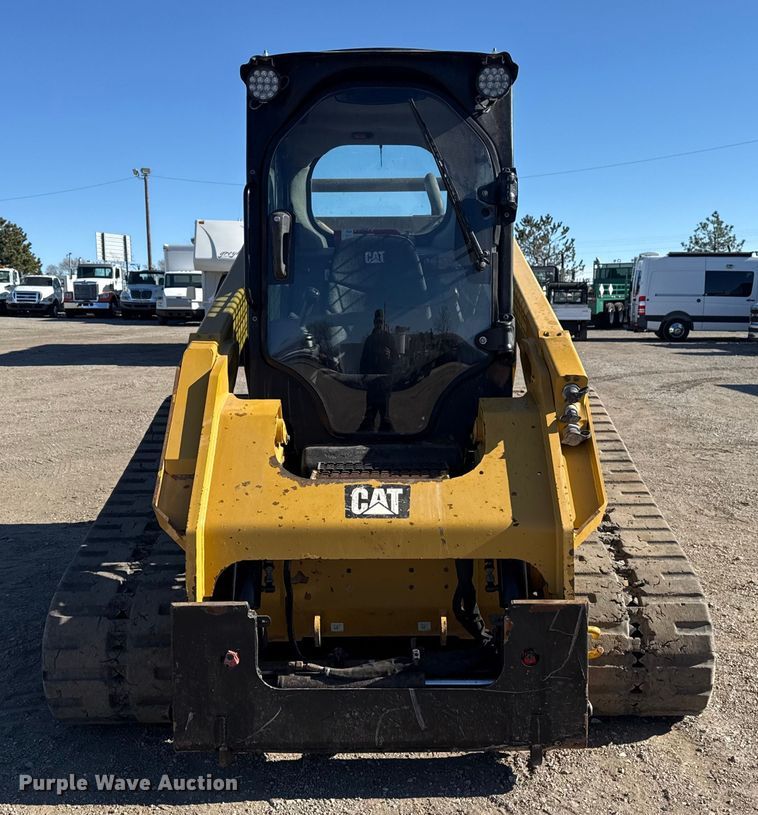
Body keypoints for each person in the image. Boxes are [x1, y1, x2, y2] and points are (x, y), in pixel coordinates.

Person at [358, 309, 397, 432]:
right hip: (372, 384)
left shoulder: (389, 338)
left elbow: (396, 359)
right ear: (374, 322)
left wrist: (390, 355)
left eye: (381, 321)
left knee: (385, 417)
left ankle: (386, 437)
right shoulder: (369, 340)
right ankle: (365, 436)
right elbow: (363, 361)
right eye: (377, 321)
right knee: (369, 417)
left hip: (385, 383)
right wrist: (363, 378)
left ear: (384, 323)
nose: (379, 324)